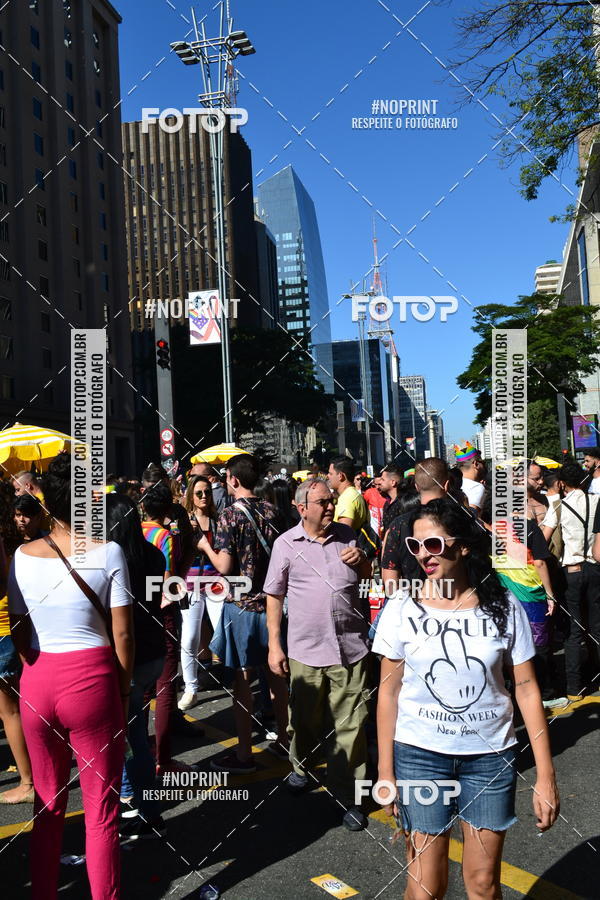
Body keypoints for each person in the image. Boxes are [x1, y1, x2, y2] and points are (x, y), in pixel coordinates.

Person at [374, 497, 559, 900]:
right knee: (426, 886)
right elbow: (387, 692)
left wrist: (545, 777)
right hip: (420, 754)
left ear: (462, 547)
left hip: (490, 761)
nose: (423, 555)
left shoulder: (503, 607)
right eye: (415, 546)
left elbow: (527, 689)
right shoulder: (401, 607)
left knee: (483, 884)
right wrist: (385, 772)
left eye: (434, 545)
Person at [8, 452, 134, 900]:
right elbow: (123, 633)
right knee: (100, 813)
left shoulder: (22, 554)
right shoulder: (110, 552)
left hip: (39, 681)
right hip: (93, 681)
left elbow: (18, 628)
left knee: (47, 806)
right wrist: (122, 688)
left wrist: (33, 666)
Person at [265, 478, 371, 831]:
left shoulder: (349, 536)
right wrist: (274, 644)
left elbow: (369, 579)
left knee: (351, 726)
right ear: (302, 508)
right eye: (323, 502)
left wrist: (363, 562)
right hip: (306, 650)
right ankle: (302, 766)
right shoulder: (285, 544)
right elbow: (275, 596)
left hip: (351, 648)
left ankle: (350, 796)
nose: (330, 507)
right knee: (306, 720)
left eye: (332, 500)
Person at [200, 453, 289, 774]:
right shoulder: (274, 511)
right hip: (274, 606)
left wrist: (204, 546)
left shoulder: (228, 516)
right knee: (278, 677)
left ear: (233, 480)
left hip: (241, 607)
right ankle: (285, 741)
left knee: (243, 680)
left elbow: (223, 566)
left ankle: (242, 754)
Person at [105, 493, 167, 841]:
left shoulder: (112, 562)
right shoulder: (153, 555)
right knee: (134, 730)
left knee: (131, 739)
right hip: (153, 652)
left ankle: (147, 810)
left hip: (125, 657)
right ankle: (138, 800)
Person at [541, 462, 600, 701]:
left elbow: (543, 538)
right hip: (596, 569)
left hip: (572, 571)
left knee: (574, 630)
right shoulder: (597, 501)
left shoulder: (558, 506)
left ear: (562, 483)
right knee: (597, 627)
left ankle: (575, 686)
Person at [0, 486, 33, 806]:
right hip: (10, 627)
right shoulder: (15, 538)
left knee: (11, 709)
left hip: (3, 630)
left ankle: (27, 781)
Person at [381, 458, 450, 596]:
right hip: (457, 602)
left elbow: (389, 580)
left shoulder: (398, 525)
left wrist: (399, 606)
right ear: (447, 485)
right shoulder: (459, 519)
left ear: (417, 487)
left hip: (414, 604)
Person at [179, 474, 219, 710]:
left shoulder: (217, 519)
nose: (204, 497)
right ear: (191, 496)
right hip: (190, 583)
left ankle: (239, 682)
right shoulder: (184, 520)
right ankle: (191, 688)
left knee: (223, 634)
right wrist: (185, 532)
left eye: (208, 492)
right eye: (199, 493)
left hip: (215, 582)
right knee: (190, 638)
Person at [327, 455, 368, 532]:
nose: (328, 476)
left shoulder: (347, 498)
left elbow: (343, 536)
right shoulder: (353, 494)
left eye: (330, 473)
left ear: (340, 476)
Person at [453, 441, 486, 513]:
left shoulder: (453, 484)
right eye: (483, 463)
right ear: (476, 464)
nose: (484, 466)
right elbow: (472, 517)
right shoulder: (477, 487)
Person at [380, 465, 404, 535]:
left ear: (393, 482)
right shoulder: (387, 503)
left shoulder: (402, 503)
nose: (380, 482)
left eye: (383, 480)